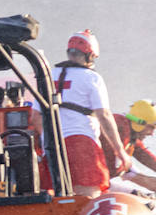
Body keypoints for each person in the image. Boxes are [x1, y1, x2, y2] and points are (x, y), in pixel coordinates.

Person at [50, 30, 132, 196]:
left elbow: (36, 117)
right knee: (88, 196)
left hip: (51, 145)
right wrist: (120, 151)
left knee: (57, 195)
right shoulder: (92, 78)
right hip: (81, 141)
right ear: (90, 56)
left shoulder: (48, 75)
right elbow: (104, 116)